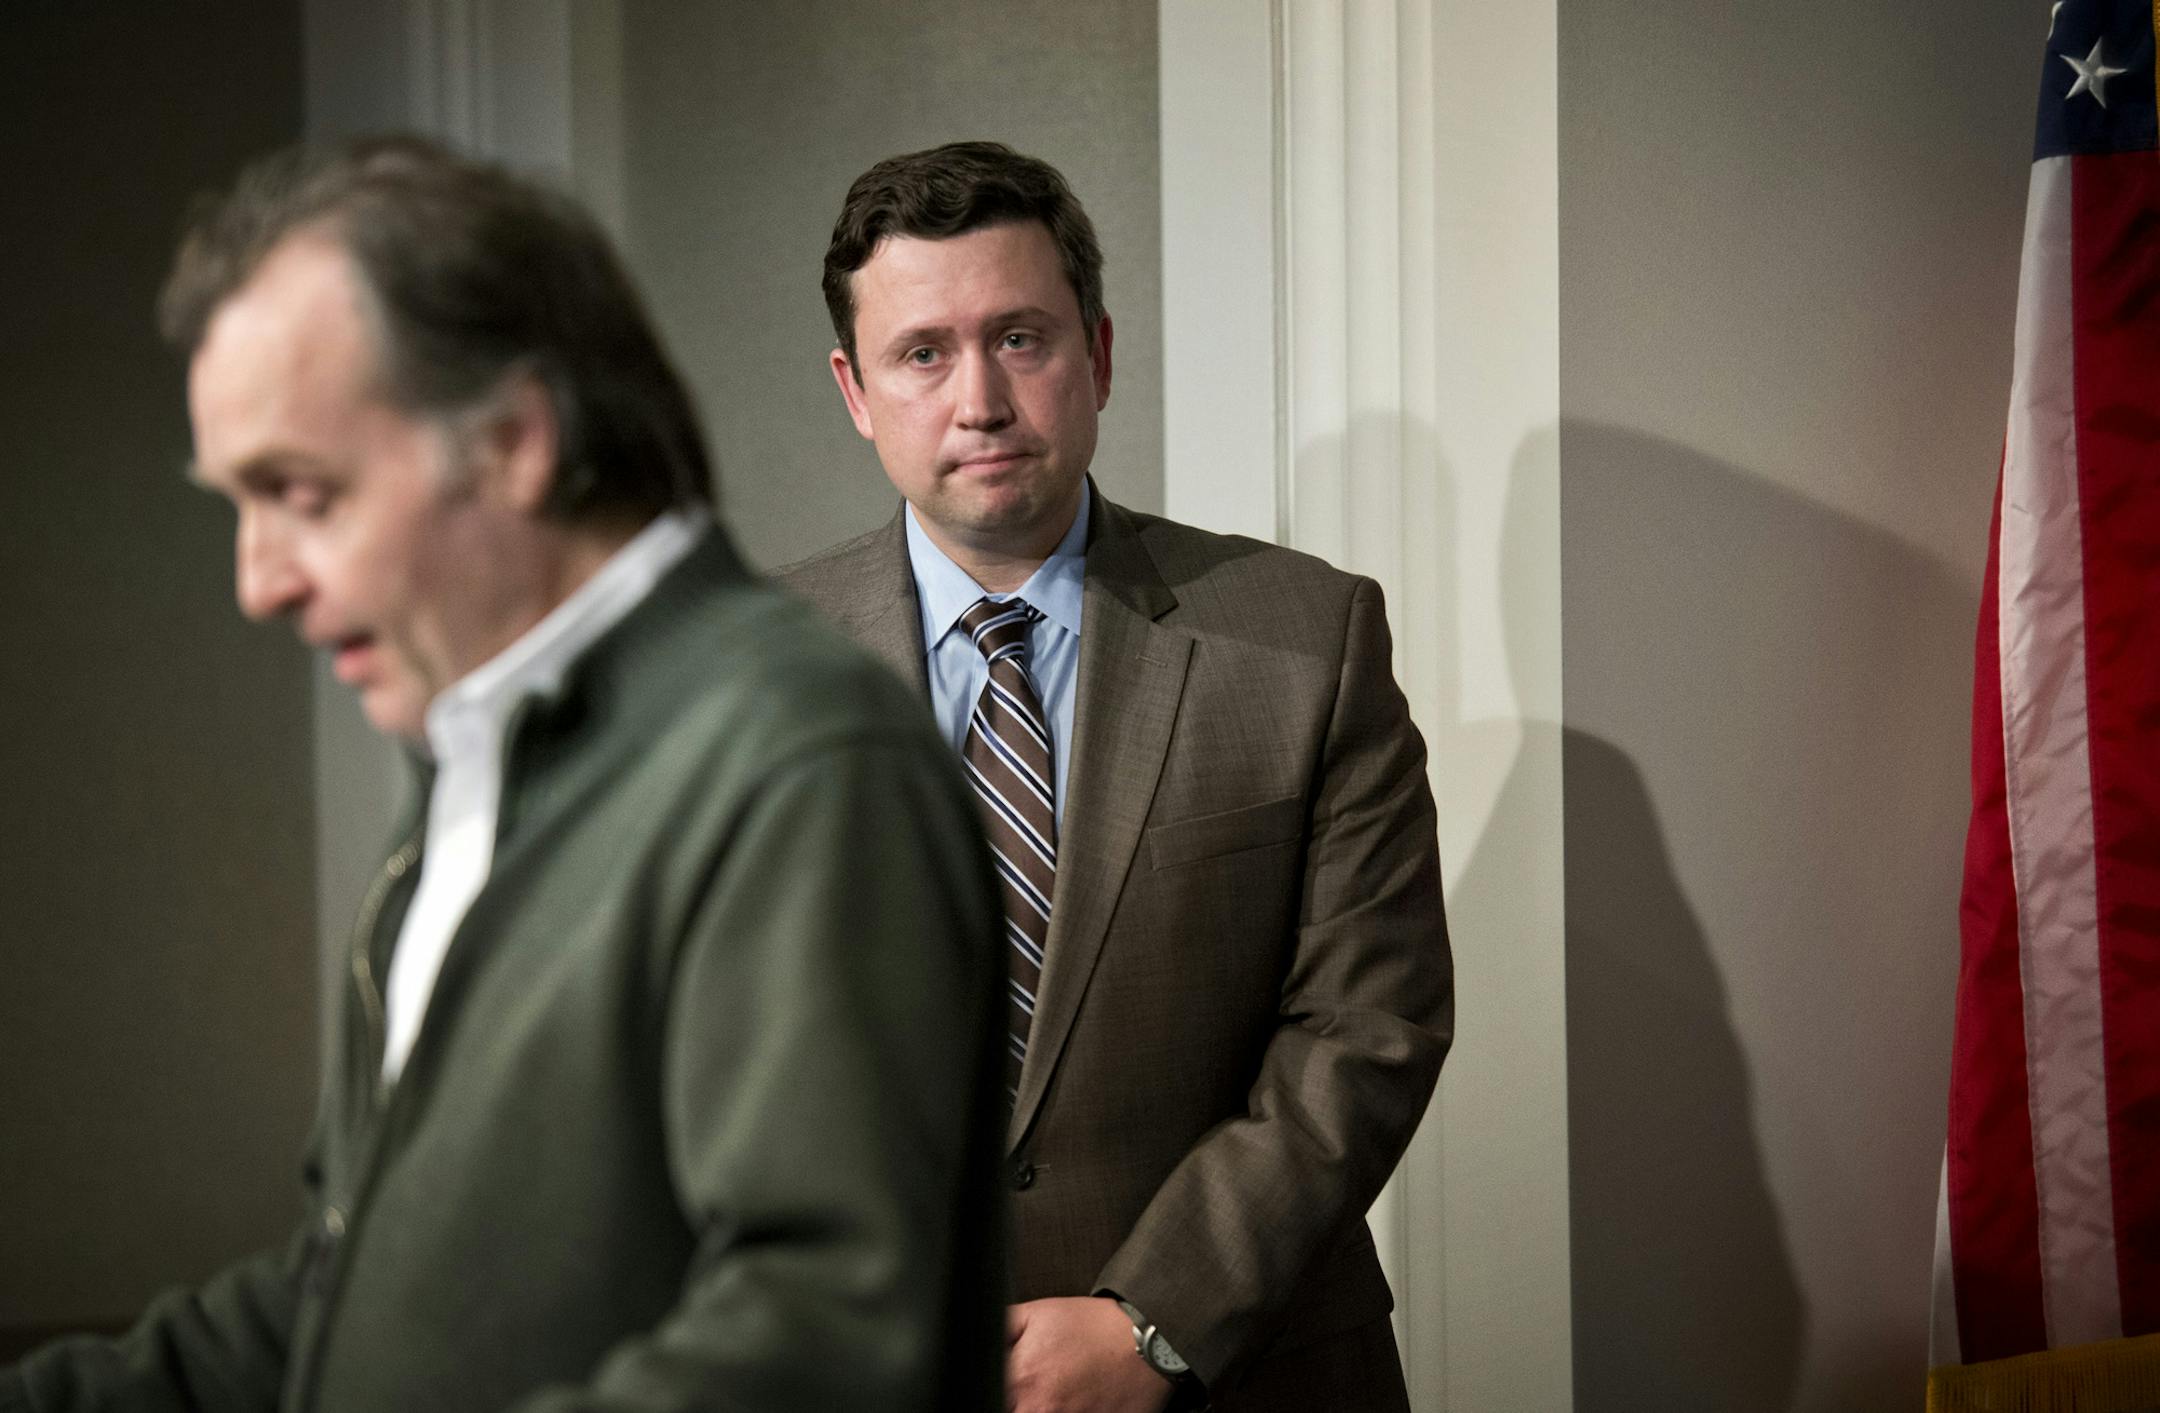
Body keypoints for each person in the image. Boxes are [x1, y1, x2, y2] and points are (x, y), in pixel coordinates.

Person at [0, 136, 1006, 1413]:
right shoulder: (479, 762)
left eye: (300, 493)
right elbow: (341, 1295)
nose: (259, 581)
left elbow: (820, 1349)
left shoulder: (800, 764)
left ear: (518, 439)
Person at [781, 141, 1454, 1413]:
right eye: (922, 352)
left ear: (1098, 353)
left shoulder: (1310, 636)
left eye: (1019, 338)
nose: (977, 397)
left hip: (1250, 1374)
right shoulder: (734, 675)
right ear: (856, 390)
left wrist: (1154, 1320)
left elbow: (1368, 1024)